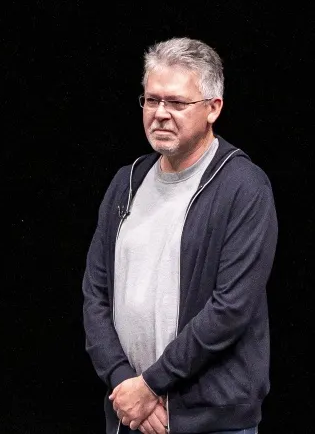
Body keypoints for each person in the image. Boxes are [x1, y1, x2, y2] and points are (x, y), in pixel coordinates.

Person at [82, 37, 278, 434]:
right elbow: (95, 293)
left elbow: (230, 309)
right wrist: (123, 381)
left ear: (213, 108)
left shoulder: (243, 187)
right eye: (152, 100)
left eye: (176, 102)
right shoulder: (128, 182)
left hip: (210, 420)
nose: (160, 114)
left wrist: (153, 385)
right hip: (130, 413)